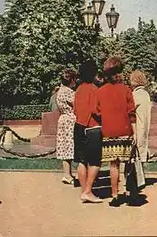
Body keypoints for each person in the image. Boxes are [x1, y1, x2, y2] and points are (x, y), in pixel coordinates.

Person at [97, 57, 137, 207]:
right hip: (125, 129)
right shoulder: (126, 90)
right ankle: (129, 192)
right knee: (128, 162)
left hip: (108, 130)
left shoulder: (100, 91)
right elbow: (131, 112)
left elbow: (97, 111)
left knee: (113, 164)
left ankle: (114, 195)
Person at [74, 59, 103, 203]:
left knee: (81, 161)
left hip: (78, 126)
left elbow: (75, 109)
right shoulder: (94, 89)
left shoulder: (78, 89)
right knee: (95, 161)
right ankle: (88, 190)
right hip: (92, 127)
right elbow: (95, 110)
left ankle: (84, 190)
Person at [56, 69, 77, 184]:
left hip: (63, 119)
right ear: (72, 79)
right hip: (70, 120)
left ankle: (67, 174)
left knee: (64, 147)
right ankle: (69, 175)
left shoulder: (59, 91)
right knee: (70, 146)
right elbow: (77, 104)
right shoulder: (69, 92)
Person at [129, 70, 152, 163]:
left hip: (137, 125)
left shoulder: (135, 94)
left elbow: (130, 110)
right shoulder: (146, 94)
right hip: (145, 124)